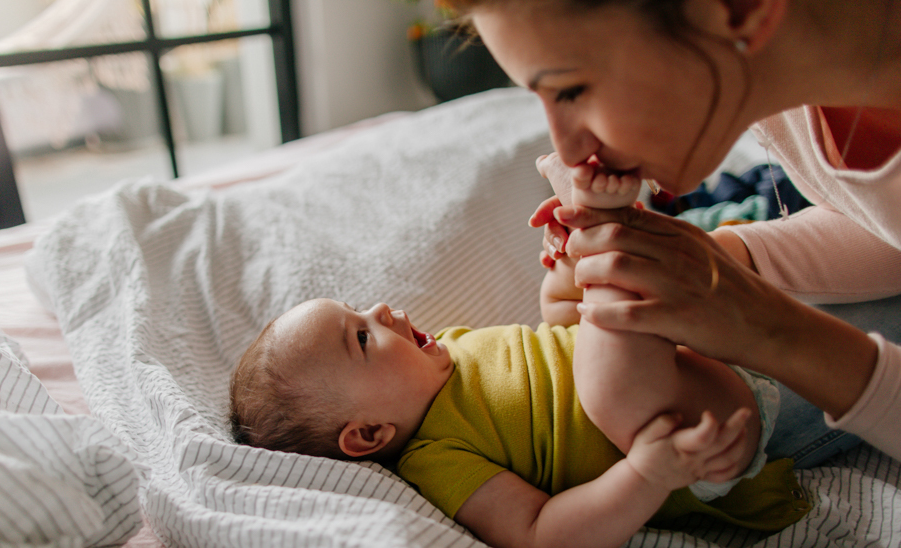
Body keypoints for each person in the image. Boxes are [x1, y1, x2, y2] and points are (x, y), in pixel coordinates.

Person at [435, 0, 901, 464]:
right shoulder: (787, 80)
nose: (571, 151)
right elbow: (883, 223)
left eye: (572, 90)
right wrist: (720, 260)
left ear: (737, 5)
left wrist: (772, 330)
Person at [228, 173, 808, 548]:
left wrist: (562, 281)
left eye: (358, 308)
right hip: (683, 435)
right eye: (359, 337)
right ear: (370, 432)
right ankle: (613, 230)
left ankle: (608, 253)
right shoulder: (438, 458)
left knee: (595, 317)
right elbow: (540, 534)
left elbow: (555, 337)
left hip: (701, 357)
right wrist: (646, 475)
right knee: (608, 380)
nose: (379, 308)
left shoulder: (452, 348)